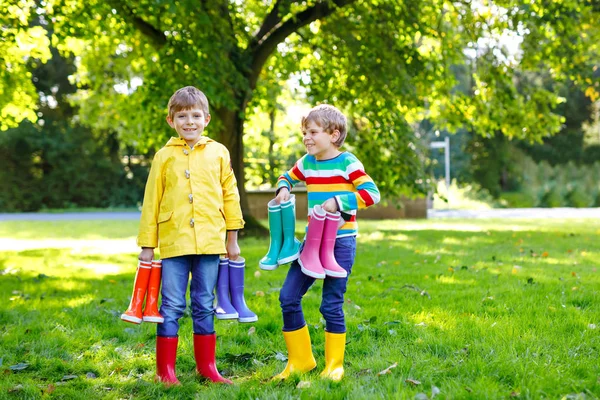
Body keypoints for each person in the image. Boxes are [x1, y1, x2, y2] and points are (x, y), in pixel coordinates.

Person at [136, 86, 244, 385]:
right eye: (182, 116)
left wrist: (232, 238)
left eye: (195, 115)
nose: (189, 122)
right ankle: (165, 372)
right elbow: (151, 201)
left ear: (206, 118)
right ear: (171, 121)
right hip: (174, 242)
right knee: (171, 305)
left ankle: (207, 367)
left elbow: (230, 195)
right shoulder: (163, 157)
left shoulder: (219, 152)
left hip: (211, 241)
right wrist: (148, 245)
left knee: (203, 302)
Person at [273, 104, 380, 381]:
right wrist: (284, 187)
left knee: (331, 304)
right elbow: (287, 175)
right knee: (288, 296)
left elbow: (371, 193)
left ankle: (334, 365)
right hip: (312, 243)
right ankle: (300, 361)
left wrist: (339, 201)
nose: (306, 138)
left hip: (341, 243)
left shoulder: (348, 163)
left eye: (312, 132)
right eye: (304, 133)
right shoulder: (306, 163)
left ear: (333, 135)